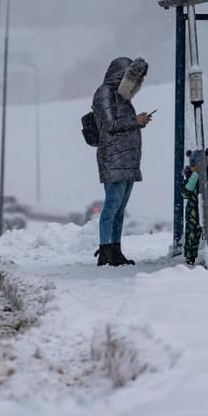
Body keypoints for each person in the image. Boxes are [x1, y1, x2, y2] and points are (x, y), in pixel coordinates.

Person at [92, 56, 151, 267]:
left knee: (120, 208)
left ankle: (115, 250)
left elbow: (121, 124)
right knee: (111, 206)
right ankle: (105, 250)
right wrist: (135, 121)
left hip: (127, 160)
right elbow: (109, 124)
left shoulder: (122, 98)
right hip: (113, 159)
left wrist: (138, 123)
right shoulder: (104, 94)